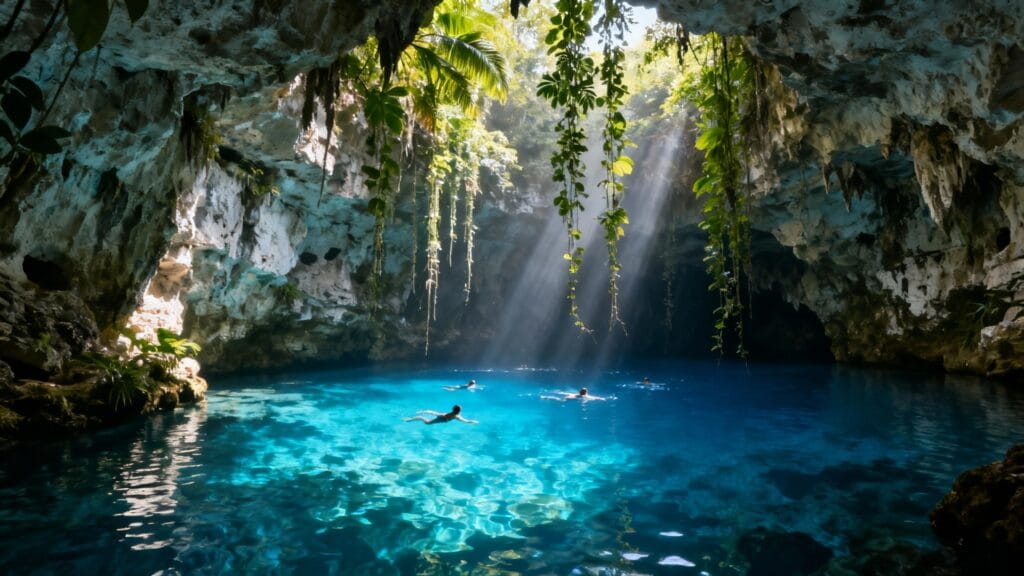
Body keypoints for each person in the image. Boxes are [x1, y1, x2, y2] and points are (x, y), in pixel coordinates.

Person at [404, 404, 478, 425]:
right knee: (426, 422)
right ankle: (412, 419)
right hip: (442, 418)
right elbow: (466, 421)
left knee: (431, 412)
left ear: (453, 409)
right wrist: (473, 421)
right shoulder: (456, 416)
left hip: (442, 415)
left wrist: (471, 421)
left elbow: (466, 421)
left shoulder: (454, 414)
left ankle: (421, 412)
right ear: (459, 411)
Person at [542, 387, 607, 402]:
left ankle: (547, 397)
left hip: (571, 396)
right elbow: (594, 398)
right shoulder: (585, 396)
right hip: (571, 398)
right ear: (586, 392)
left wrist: (560, 392)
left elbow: (566, 393)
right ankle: (547, 397)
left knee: (561, 399)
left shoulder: (576, 394)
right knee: (561, 400)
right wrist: (601, 399)